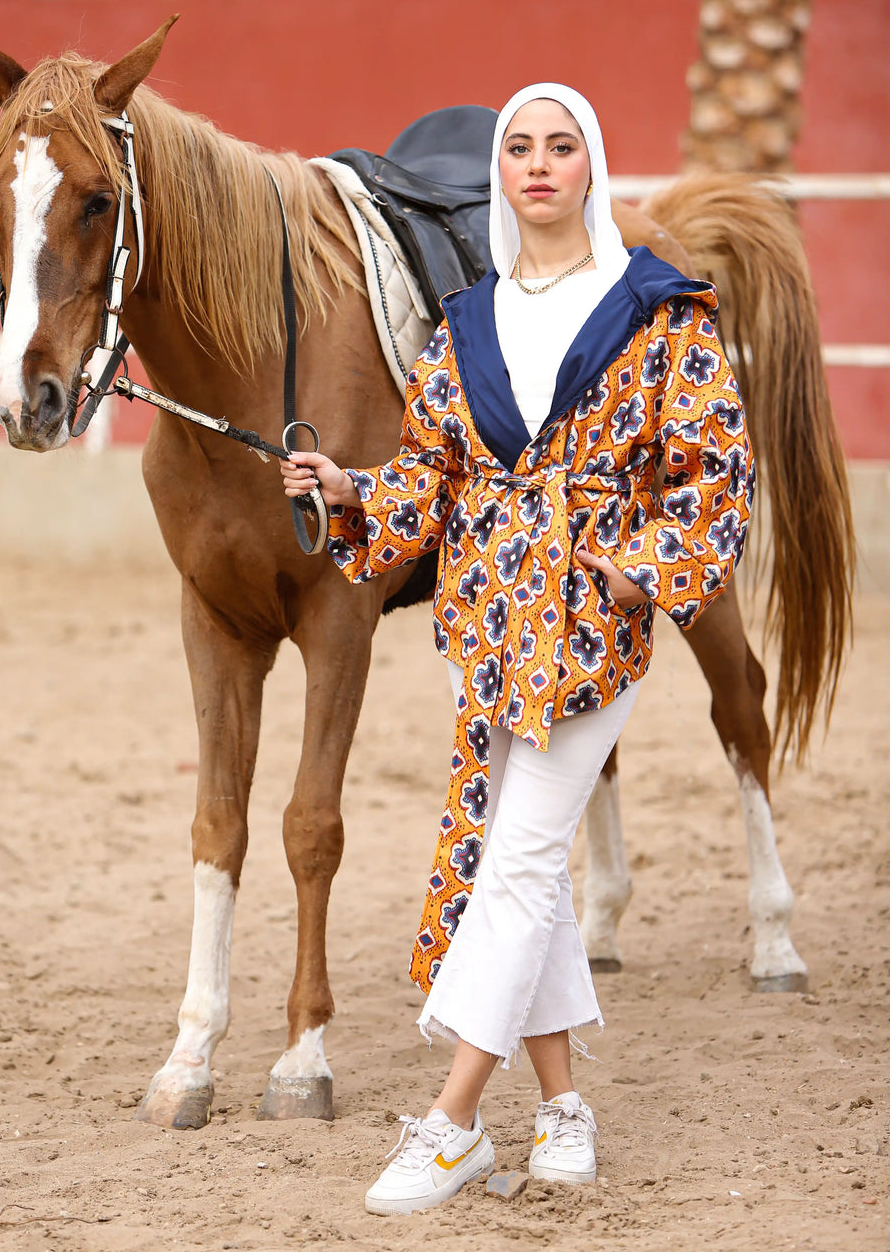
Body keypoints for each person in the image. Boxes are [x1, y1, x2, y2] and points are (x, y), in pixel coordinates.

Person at [280, 83, 754, 1217]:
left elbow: (716, 470)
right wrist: (351, 491)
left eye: (561, 146)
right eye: (519, 149)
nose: (538, 164)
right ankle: (559, 1111)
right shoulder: (469, 319)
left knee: (523, 859)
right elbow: (434, 479)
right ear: (500, 173)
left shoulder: (658, 310)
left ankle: (450, 1124)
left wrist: (646, 564)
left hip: (591, 617)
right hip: (484, 616)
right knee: (524, 870)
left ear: (592, 166)